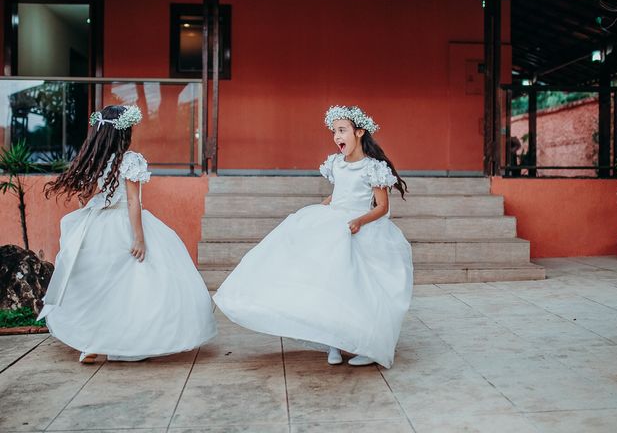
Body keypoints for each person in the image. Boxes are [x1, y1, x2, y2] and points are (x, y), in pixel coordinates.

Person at [214, 105, 413, 368]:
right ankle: (333, 342)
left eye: (342, 130)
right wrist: (322, 207)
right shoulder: (336, 164)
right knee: (329, 284)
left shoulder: (373, 168)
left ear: (360, 132)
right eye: (334, 131)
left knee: (359, 290)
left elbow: (381, 207)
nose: (337, 136)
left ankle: (367, 344)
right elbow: (338, 194)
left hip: (360, 228)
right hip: (335, 223)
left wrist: (359, 221)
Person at [40, 105, 217, 363]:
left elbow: (85, 199)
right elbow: (134, 202)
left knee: (99, 287)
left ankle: (92, 343)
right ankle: (130, 340)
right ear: (123, 134)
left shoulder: (95, 160)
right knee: (133, 287)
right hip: (124, 225)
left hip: (97, 227)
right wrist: (139, 238)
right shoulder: (130, 160)